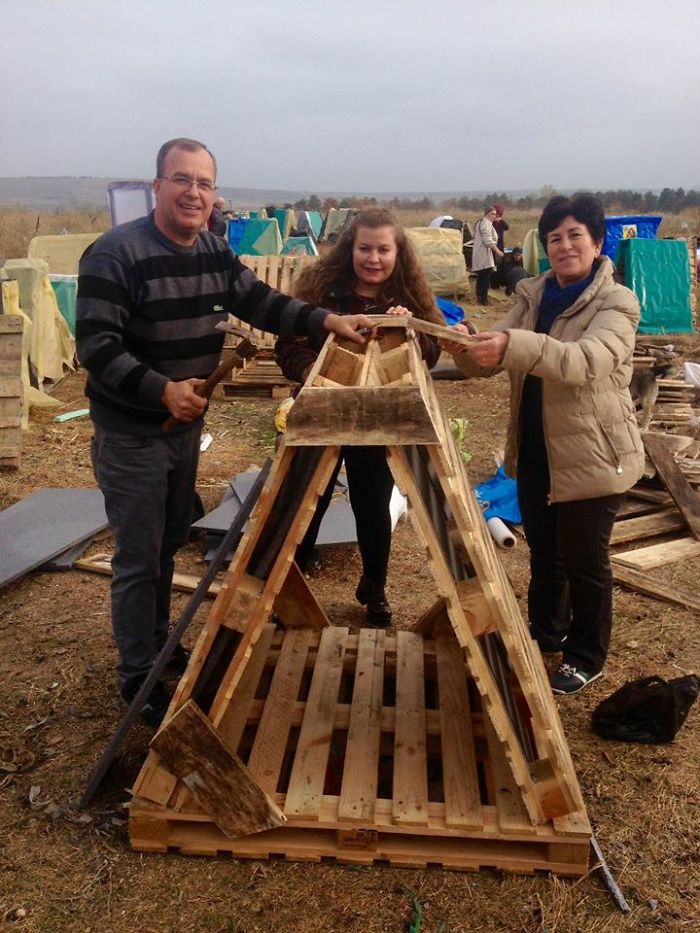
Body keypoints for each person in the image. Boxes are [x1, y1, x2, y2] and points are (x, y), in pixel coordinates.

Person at [76, 137, 374, 726]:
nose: (193, 192)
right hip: (134, 433)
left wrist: (328, 321)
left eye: (204, 183)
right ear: (157, 185)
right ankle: (139, 678)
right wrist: (160, 388)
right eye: (181, 179)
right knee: (139, 558)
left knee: (167, 545)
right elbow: (96, 346)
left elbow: (264, 303)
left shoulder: (212, 251)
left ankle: (161, 649)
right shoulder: (114, 255)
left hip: (184, 432)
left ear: (214, 194)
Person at [451, 194, 644, 695]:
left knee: (585, 559)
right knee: (546, 552)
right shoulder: (532, 294)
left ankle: (586, 655)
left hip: (594, 453)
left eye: (575, 235)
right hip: (538, 449)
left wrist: (512, 345)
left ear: (598, 242)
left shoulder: (616, 302)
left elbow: (588, 360)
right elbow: (492, 351)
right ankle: (545, 633)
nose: (564, 246)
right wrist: (466, 344)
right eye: (554, 237)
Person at [275, 208, 444, 626]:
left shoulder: (407, 295)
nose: (374, 258)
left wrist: (412, 333)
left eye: (383, 249)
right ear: (350, 248)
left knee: (371, 503)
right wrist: (314, 375)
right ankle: (285, 589)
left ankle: (375, 588)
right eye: (364, 248)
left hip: (377, 417)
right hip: (320, 411)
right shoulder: (321, 291)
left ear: (397, 252)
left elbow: (433, 354)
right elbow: (288, 345)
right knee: (302, 505)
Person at [471, 206, 503, 305]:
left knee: (482, 277)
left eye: (495, 214)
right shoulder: (485, 223)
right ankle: (483, 300)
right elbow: (487, 241)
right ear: (486, 214)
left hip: (482, 252)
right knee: (485, 277)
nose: (494, 216)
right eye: (492, 214)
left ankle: (480, 298)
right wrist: (498, 251)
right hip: (483, 253)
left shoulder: (484, 223)